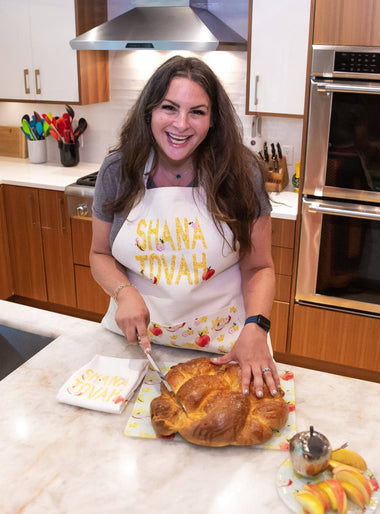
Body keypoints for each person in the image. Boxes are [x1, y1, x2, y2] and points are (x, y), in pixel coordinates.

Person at [90, 55, 280, 398]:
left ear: (213, 120)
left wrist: (257, 327)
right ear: (150, 110)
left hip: (228, 350)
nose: (181, 124)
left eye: (197, 111)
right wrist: (124, 292)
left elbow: (260, 266)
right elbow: (100, 253)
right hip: (137, 350)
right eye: (169, 107)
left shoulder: (242, 173)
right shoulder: (117, 170)